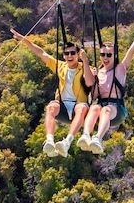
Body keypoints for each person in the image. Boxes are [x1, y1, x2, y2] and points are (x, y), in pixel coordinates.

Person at [77, 15, 134, 154]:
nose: (105, 58)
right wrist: (91, 72)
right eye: (103, 55)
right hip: (101, 108)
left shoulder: (120, 68)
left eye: (109, 55)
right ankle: (86, 135)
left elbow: (132, 49)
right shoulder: (99, 72)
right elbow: (94, 94)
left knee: (106, 109)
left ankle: (97, 138)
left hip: (117, 110)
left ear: (114, 56)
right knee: (95, 108)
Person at [11, 28, 95, 157]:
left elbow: (90, 83)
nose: (70, 56)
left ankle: (67, 141)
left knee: (82, 107)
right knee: (51, 106)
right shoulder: (60, 66)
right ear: (64, 56)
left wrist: (85, 62)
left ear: (78, 54)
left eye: (73, 53)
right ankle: (49, 140)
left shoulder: (85, 68)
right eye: (67, 54)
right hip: (63, 107)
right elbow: (41, 53)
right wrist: (23, 39)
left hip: (79, 107)